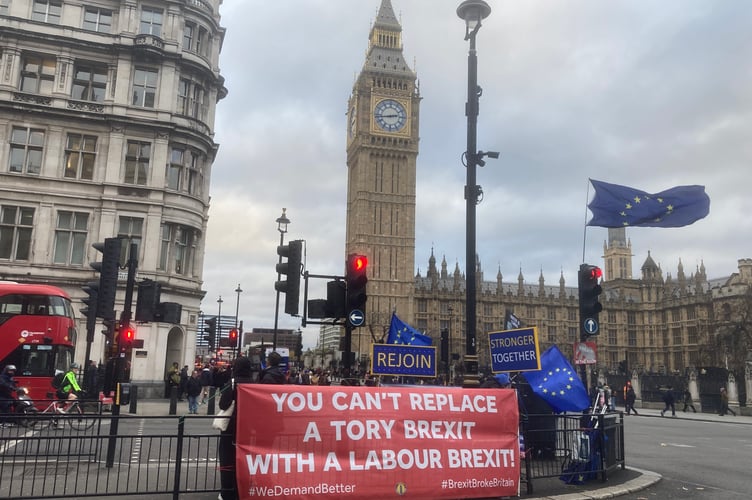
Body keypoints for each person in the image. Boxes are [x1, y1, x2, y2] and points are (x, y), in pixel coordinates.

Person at [217, 356, 253, 500]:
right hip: (249, 428)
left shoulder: (232, 383)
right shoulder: (254, 383)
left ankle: (227, 491)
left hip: (231, 428)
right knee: (246, 461)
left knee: (227, 460)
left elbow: (223, 405)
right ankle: (243, 489)